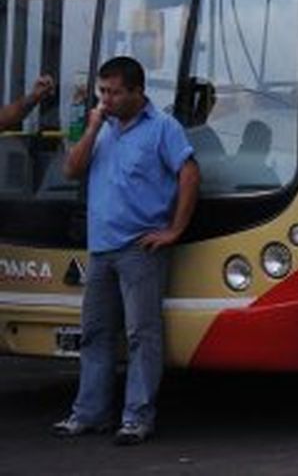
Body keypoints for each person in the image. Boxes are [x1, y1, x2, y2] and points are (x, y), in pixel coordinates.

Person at [51, 56, 199, 446]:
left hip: (140, 248)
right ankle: (89, 413)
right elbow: (71, 169)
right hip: (100, 248)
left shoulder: (163, 128)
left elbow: (189, 172)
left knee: (141, 335)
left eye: (115, 92)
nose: (107, 99)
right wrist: (94, 125)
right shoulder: (101, 127)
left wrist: (175, 229)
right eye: (102, 91)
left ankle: (137, 418)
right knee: (95, 334)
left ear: (137, 91)